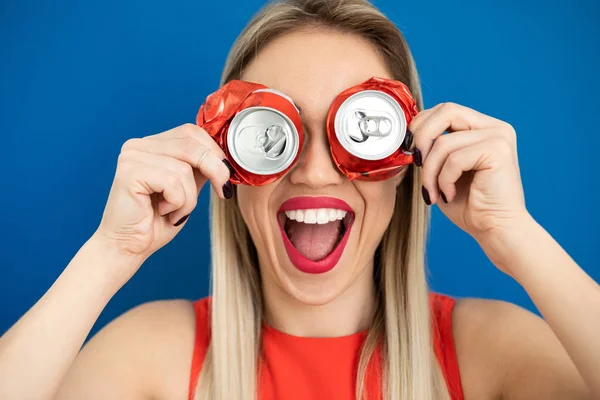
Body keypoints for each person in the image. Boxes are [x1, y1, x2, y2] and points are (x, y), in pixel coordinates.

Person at [0, 0, 598, 399]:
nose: (314, 171)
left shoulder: (485, 352)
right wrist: (110, 253)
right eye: (273, 135)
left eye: (360, 131)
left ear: (405, 161)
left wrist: (516, 236)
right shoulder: (154, 355)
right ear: (227, 165)